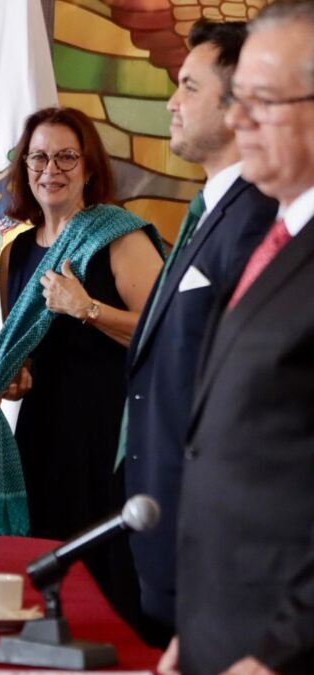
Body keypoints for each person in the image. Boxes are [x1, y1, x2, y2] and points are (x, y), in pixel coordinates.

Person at [159, 2, 314, 673]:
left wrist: (279, 650)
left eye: (264, 101)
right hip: (220, 631)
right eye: (237, 97)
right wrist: (195, 627)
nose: (237, 119)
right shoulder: (276, 238)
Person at [0, 107, 163, 623]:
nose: (50, 169)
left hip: (110, 436)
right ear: (24, 167)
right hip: (42, 435)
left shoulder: (119, 237)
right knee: (45, 572)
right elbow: (27, 350)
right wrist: (16, 377)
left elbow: (168, 333)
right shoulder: (14, 252)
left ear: (88, 168)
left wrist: (88, 309)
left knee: (106, 581)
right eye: (38, 156)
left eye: (65, 156)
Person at [122, 20, 277, 645]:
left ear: (238, 104)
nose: (171, 102)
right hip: (164, 522)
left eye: (188, 86)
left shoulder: (258, 218)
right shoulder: (213, 209)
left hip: (210, 539)